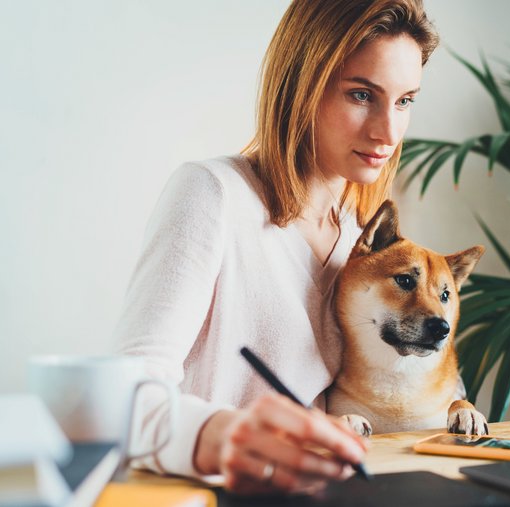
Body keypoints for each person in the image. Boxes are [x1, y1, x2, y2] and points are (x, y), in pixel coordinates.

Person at [113, 0, 439, 495]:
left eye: (404, 101)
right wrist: (215, 435)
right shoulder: (214, 193)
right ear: (301, 86)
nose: (388, 132)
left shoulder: (361, 243)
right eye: (360, 95)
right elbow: (123, 397)